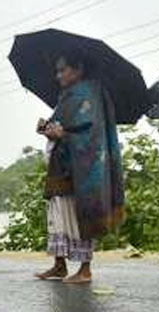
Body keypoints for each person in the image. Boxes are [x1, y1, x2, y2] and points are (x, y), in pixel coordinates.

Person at [34, 53, 126, 284]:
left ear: (78, 68)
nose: (58, 75)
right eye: (57, 71)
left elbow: (91, 133)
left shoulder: (90, 94)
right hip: (61, 163)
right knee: (58, 211)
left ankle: (85, 269)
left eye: (63, 69)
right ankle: (59, 265)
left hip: (83, 166)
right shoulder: (66, 96)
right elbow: (62, 124)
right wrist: (47, 128)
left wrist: (63, 134)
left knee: (81, 213)